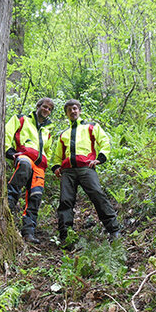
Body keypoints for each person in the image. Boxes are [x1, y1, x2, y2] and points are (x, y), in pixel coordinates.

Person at [51, 99, 120, 246]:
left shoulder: (91, 127)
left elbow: (104, 141)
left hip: (86, 168)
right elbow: (58, 155)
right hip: (68, 171)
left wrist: (100, 158)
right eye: (69, 110)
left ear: (79, 110)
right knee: (65, 201)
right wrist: (56, 166)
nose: (72, 111)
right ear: (66, 114)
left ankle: (114, 230)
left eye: (75, 108)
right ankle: (66, 236)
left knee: (97, 195)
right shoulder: (63, 134)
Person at [5, 97, 55, 243]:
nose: (46, 110)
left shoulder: (47, 131)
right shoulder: (21, 119)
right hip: (25, 156)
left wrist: (47, 159)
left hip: (39, 166)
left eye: (49, 109)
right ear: (38, 106)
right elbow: (7, 133)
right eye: (45, 107)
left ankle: (29, 232)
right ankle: (9, 204)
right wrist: (8, 151)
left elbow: (48, 149)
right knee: (24, 167)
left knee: (36, 196)